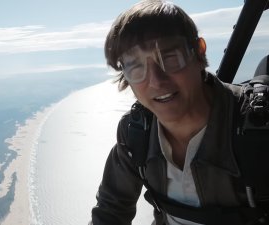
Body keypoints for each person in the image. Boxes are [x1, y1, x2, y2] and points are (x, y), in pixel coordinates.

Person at [90, 0, 269, 224]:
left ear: (198, 52)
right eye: (136, 67)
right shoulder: (136, 133)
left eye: (170, 58)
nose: (156, 81)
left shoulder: (258, 133)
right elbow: (110, 212)